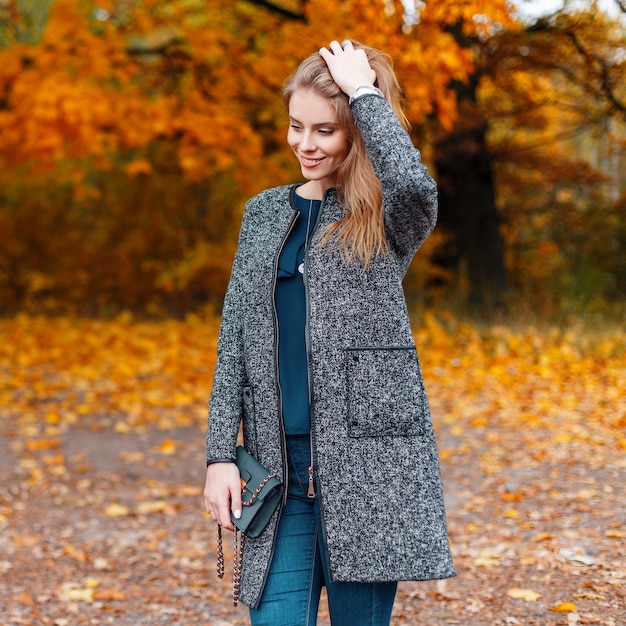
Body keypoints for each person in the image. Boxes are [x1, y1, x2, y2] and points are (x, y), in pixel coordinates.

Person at [204, 39, 455, 626]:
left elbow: (417, 188)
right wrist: (220, 455)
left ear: (357, 134)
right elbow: (233, 340)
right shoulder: (264, 213)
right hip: (278, 474)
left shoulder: (387, 221)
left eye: (325, 131)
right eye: (297, 127)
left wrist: (365, 95)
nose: (305, 145)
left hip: (369, 471)